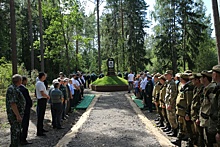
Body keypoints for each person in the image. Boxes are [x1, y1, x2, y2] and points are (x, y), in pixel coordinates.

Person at [6, 74, 26, 146]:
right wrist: (18, 116)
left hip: (17, 114)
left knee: (17, 132)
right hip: (14, 115)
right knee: (15, 132)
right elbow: (13, 103)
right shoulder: (12, 89)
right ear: (19, 81)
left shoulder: (15, 88)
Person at [198, 70, 216, 146]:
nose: (200, 79)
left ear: (205, 78)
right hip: (205, 120)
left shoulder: (211, 89)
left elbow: (214, 106)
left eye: (201, 77)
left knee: (210, 142)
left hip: (210, 122)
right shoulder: (206, 88)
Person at [189, 73, 204, 146]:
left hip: (198, 116)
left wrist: (198, 117)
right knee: (195, 133)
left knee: (200, 135)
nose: (192, 81)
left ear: (197, 80)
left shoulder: (202, 89)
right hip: (194, 115)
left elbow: (201, 105)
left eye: (193, 79)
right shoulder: (195, 88)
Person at [19, 76, 33, 145]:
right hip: (25, 109)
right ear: (23, 81)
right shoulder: (24, 89)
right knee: (25, 124)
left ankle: (18, 138)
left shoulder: (14, 88)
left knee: (19, 125)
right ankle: (23, 139)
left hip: (18, 109)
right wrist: (30, 104)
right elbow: (27, 99)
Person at [208, 65, 220, 147]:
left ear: (215, 74)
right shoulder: (217, 88)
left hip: (216, 127)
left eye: (212, 73)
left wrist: (219, 131)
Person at [36, 72, 50, 136]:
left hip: (43, 100)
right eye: (44, 76)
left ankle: (41, 128)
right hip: (41, 100)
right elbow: (42, 93)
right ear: (42, 76)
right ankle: (39, 131)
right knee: (40, 116)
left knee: (42, 115)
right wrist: (47, 96)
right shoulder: (39, 83)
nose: (45, 77)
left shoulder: (41, 83)